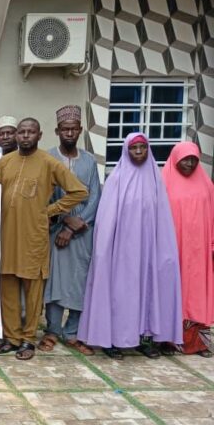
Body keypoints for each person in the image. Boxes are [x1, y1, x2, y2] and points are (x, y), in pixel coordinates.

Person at [78, 133, 183, 359]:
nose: (138, 152)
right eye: (134, 148)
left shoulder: (155, 178)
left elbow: (162, 217)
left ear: (148, 150)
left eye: (142, 148)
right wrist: (105, 250)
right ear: (126, 150)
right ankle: (111, 340)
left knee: (146, 291)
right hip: (121, 251)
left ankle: (141, 338)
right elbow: (106, 219)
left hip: (147, 249)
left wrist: (164, 250)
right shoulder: (117, 178)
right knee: (119, 294)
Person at [0, 117, 88, 360]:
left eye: (30, 132)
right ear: (16, 136)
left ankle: (27, 340)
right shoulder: (4, 162)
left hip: (34, 236)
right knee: (8, 287)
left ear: (39, 135)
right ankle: (11, 337)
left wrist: (50, 211)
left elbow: (79, 191)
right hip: (5, 234)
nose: (25, 136)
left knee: (33, 290)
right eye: (21, 132)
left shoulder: (48, 162)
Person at [40, 106, 101, 356]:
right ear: (57, 131)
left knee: (80, 280)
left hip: (84, 231)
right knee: (55, 281)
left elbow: (95, 196)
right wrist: (65, 222)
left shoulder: (88, 160)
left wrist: (78, 225)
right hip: (56, 229)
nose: (68, 132)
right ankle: (52, 330)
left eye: (73, 129)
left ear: (79, 131)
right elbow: (45, 197)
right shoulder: (47, 158)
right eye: (64, 129)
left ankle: (73, 331)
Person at [161, 142, 214, 357]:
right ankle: (168, 340)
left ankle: (197, 343)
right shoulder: (164, 182)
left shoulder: (206, 185)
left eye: (194, 159)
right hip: (172, 248)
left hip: (199, 251)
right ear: (175, 159)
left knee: (196, 294)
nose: (190, 163)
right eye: (185, 159)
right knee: (172, 290)